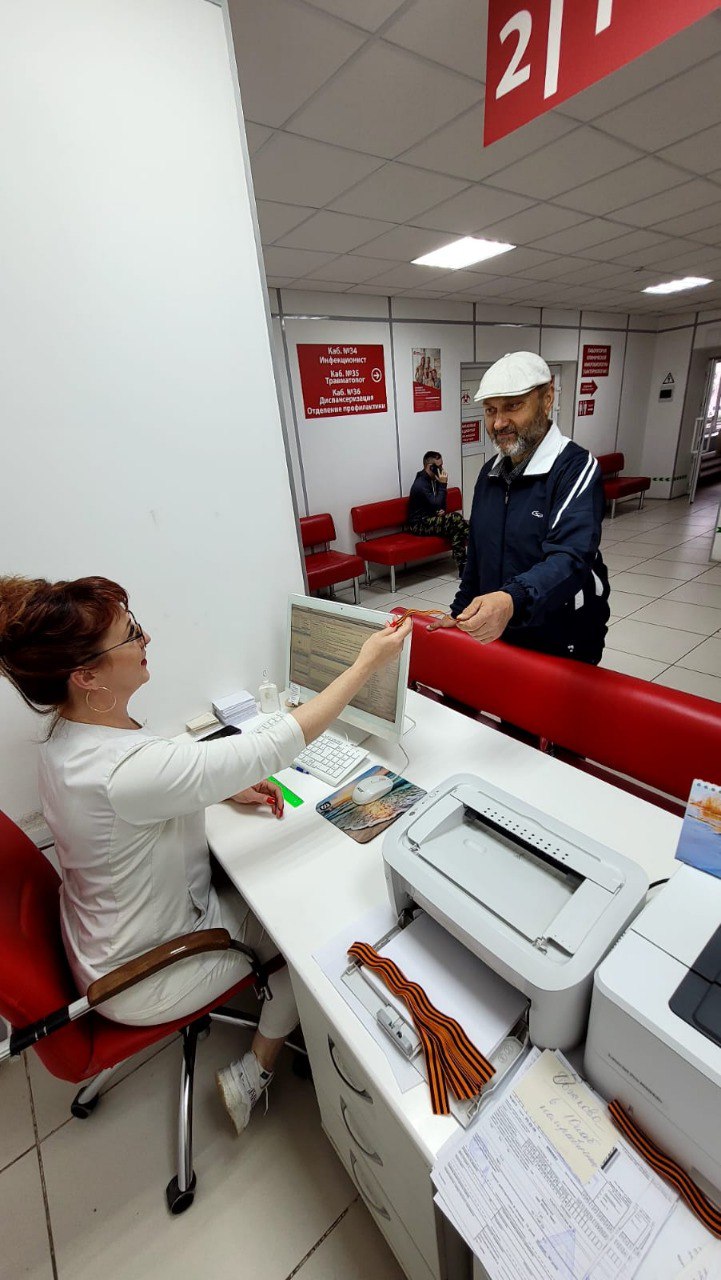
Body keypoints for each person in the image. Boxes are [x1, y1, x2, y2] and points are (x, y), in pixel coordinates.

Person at [0, 575, 411, 1134]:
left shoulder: (67, 741)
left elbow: (136, 799)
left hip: (100, 941)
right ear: (87, 675)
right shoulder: (124, 771)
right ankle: (253, 1075)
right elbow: (270, 746)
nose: (147, 640)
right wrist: (366, 665)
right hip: (144, 972)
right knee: (303, 941)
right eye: (132, 635)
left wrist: (220, 787)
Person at [429, 352, 610, 663]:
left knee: (547, 713)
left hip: (562, 633)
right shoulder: (489, 474)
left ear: (547, 399)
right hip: (503, 625)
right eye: (490, 410)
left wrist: (512, 599)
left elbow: (570, 558)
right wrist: (459, 612)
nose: (499, 423)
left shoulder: (575, 468)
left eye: (513, 406)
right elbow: (478, 555)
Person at [408, 450, 469, 575]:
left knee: (455, 528)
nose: (442, 469)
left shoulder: (433, 480)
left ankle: (464, 566)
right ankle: (476, 550)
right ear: (430, 467)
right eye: (439, 466)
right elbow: (436, 503)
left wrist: (441, 510)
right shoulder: (421, 484)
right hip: (419, 524)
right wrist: (443, 485)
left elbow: (440, 504)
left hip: (432, 519)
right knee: (456, 518)